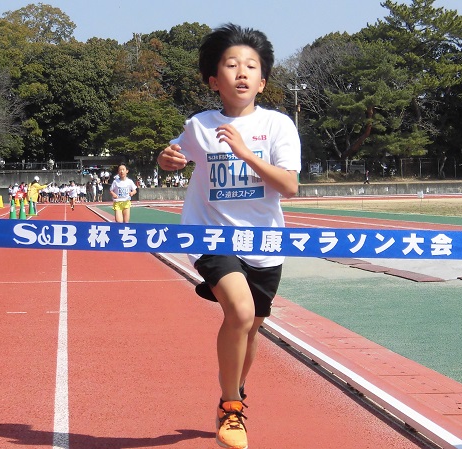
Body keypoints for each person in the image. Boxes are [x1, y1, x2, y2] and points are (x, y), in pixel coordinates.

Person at [157, 24, 301, 449]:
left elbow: (288, 186)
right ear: (213, 80)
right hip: (210, 235)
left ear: (263, 80)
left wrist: (245, 153)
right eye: (231, 64)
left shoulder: (278, 126)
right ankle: (231, 407)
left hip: (264, 242)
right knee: (238, 313)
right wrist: (167, 159)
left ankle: (234, 390)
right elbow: (173, 157)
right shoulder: (200, 125)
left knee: (252, 327)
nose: (242, 72)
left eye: (251, 66)